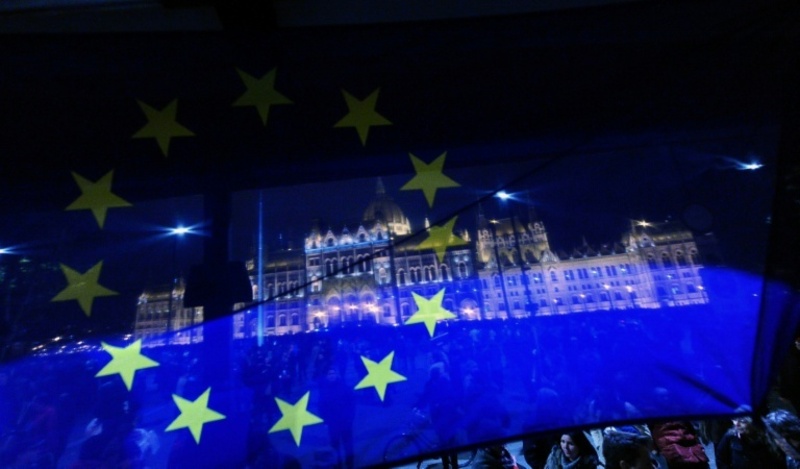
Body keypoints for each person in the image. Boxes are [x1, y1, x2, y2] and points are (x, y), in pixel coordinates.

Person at [716, 414, 784, 468]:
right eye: (734, 419)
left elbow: (779, 460)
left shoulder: (768, 436)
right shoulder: (730, 436)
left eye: (742, 420)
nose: (736, 424)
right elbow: (721, 458)